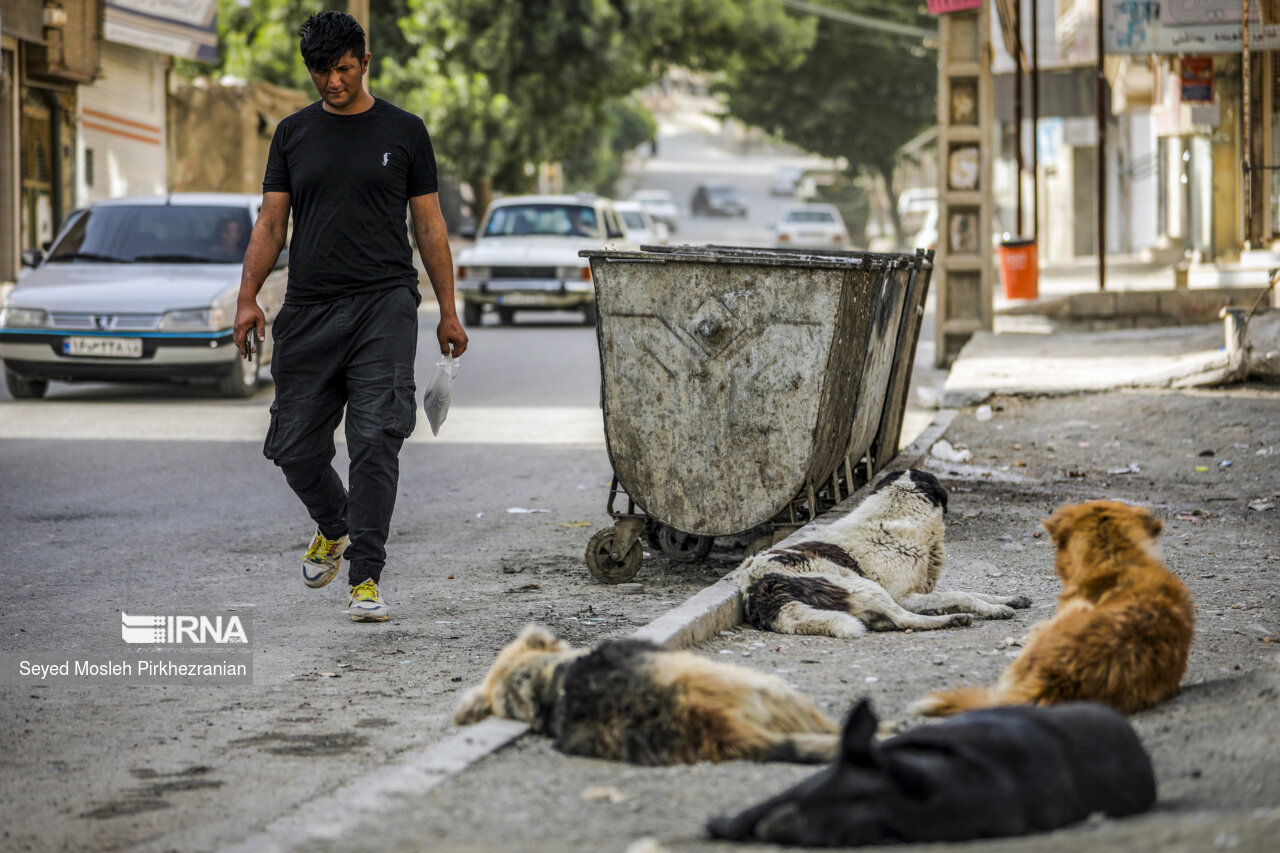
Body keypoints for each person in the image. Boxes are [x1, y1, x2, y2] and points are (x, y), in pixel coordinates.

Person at [233, 10, 467, 623]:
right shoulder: (292, 134)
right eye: (320, 70)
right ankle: (333, 525)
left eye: (342, 69)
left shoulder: (405, 131)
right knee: (292, 445)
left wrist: (447, 309)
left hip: (384, 304)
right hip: (309, 309)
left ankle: (365, 576)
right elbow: (271, 222)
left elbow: (429, 224)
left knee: (374, 439)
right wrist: (247, 295)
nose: (332, 81)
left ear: (364, 63)